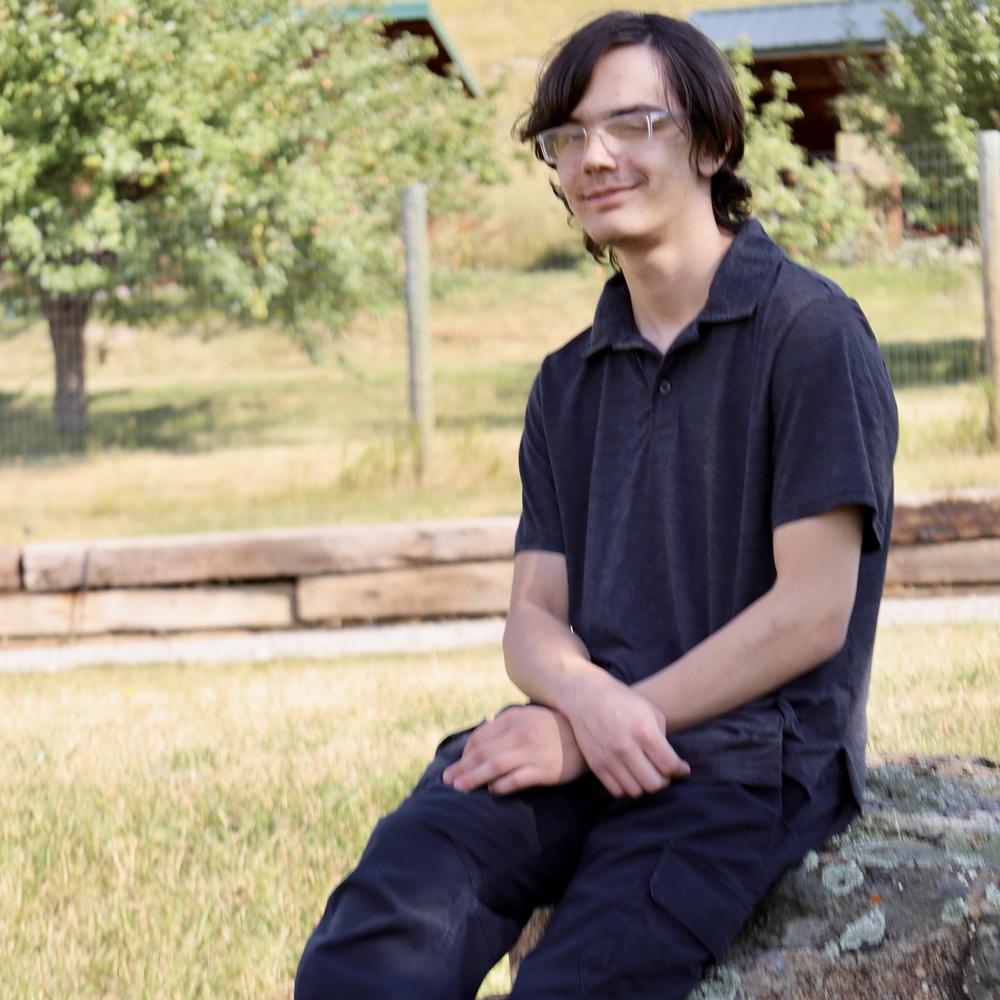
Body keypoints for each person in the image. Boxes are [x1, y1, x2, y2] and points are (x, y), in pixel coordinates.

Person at [295, 11, 898, 999]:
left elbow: (811, 611)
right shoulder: (567, 380)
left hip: (747, 760)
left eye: (633, 124)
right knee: (372, 945)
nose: (596, 156)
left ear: (711, 143)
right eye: (569, 135)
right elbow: (534, 614)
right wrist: (581, 710)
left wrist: (598, 724)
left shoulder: (810, 333)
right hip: (581, 729)